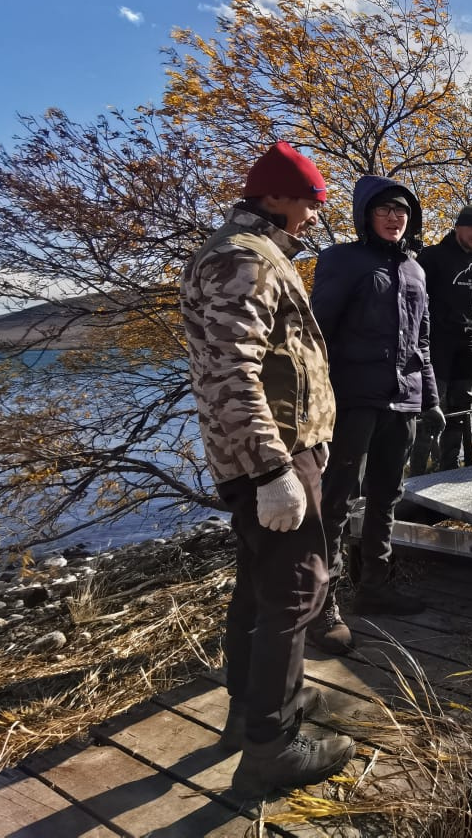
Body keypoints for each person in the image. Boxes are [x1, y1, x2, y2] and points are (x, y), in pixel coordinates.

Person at [179, 141, 355, 797]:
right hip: (276, 455)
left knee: (258, 586)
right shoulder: (242, 258)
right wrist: (273, 469)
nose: (315, 212)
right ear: (276, 197)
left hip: (273, 453)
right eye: (310, 199)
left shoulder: (249, 252)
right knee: (297, 592)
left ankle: (249, 714)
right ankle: (272, 749)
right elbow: (233, 372)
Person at [310, 177, 444, 634]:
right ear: (366, 214)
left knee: (387, 495)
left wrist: (430, 399)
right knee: (336, 502)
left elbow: (422, 341)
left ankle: (375, 587)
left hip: (403, 401)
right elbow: (316, 336)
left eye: (402, 211)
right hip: (355, 399)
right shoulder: (342, 260)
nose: (394, 217)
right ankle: (322, 605)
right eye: (385, 209)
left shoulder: (415, 269)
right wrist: (317, 401)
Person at [409, 203, 472, 475]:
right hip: (438, 344)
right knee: (432, 406)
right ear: (458, 227)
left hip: (469, 346)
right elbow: (413, 300)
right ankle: (417, 472)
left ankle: (450, 467)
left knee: (461, 407)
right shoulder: (432, 257)